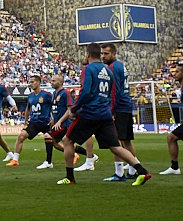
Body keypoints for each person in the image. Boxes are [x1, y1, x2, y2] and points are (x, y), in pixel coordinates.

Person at [53, 43, 151, 186]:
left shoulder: (88, 69)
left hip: (90, 113)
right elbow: (111, 93)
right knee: (115, 146)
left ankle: (70, 177)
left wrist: (74, 109)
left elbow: (85, 91)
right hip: (105, 114)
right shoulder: (108, 71)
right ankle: (142, 171)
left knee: (67, 140)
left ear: (87, 54)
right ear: (99, 55)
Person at [100, 43, 141, 181]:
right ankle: (132, 171)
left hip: (119, 108)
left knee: (115, 141)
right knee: (127, 141)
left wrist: (111, 111)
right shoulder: (120, 66)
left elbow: (114, 91)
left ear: (114, 54)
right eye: (102, 53)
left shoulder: (112, 68)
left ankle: (119, 173)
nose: (103, 56)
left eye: (106, 53)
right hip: (126, 106)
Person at [41, 75, 89, 169]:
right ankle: (88, 155)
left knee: (48, 136)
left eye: (54, 81)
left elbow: (69, 109)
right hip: (58, 122)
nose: (51, 82)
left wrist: (59, 121)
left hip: (64, 123)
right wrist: (54, 120)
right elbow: (57, 109)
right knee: (56, 142)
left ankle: (48, 162)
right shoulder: (55, 93)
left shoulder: (65, 93)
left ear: (60, 82)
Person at [7, 75, 52, 167]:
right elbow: (28, 109)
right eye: (30, 82)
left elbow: (55, 106)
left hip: (46, 122)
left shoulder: (46, 95)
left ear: (38, 82)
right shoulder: (30, 96)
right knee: (21, 136)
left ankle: (74, 154)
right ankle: (15, 160)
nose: (30, 84)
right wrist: (25, 122)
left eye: (32, 82)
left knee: (55, 142)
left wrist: (54, 119)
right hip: (34, 123)